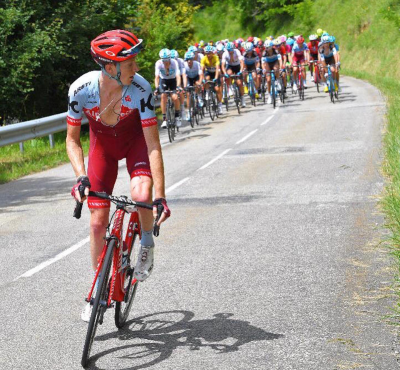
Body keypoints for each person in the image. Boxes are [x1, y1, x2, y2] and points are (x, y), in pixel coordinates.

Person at [66, 29, 171, 322]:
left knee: (140, 196)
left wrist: (160, 196)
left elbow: (152, 145)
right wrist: (80, 177)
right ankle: (98, 288)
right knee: (98, 222)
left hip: (135, 142)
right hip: (103, 148)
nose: (135, 69)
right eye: (130, 64)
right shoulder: (81, 90)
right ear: (109, 67)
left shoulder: (140, 89)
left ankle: (147, 242)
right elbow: (72, 140)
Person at [154, 48, 183, 128]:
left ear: (170, 58)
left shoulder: (174, 62)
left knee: (175, 97)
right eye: (163, 60)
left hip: (173, 80)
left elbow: (178, 76)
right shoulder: (159, 63)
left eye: (167, 60)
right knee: (163, 96)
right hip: (164, 80)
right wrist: (157, 88)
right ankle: (164, 120)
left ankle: (177, 117)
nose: (165, 62)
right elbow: (157, 77)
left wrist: (178, 86)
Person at [221, 42, 246, 107]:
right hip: (230, 66)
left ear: (233, 49)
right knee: (229, 74)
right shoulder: (225, 54)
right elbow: (223, 65)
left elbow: (242, 62)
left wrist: (241, 71)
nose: (230, 52)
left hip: (237, 66)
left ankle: (243, 99)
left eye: (231, 50)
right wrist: (225, 73)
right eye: (228, 50)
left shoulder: (237, 51)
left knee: (240, 83)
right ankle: (231, 87)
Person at [201, 45, 223, 114]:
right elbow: (202, 70)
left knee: (217, 89)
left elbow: (217, 69)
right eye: (207, 53)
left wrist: (216, 78)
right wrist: (203, 79)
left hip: (215, 73)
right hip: (209, 72)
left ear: (212, 53)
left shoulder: (216, 57)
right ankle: (207, 91)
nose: (208, 55)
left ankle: (220, 105)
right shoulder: (204, 59)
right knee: (206, 79)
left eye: (209, 53)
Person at [183, 51, 203, 121]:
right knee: (188, 95)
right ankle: (189, 112)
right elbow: (184, 77)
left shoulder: (197, 64)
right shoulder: (184, 65)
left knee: (197, 84)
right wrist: (185, 87)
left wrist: (200, 83)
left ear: (193, 59)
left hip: (196, 77)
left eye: (190, 59)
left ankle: (199, 98)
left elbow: (201, 75)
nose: (189, 61)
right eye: (187, 60)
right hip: (189, 78)